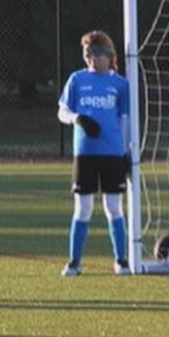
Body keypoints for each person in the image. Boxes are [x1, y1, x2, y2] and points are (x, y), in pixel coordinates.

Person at [56, 30, 131, 276]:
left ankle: (121, 260)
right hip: (85, 153)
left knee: (114, 206)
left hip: (112, 153)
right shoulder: (77, 80)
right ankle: (74, 262)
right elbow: (62, 111)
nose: (92, 60)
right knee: (83, 207)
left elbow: (125, 120)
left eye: (96, 55)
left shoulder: (120, 84)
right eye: (87, 55)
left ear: (108, 55)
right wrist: (77, 118)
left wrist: (125, 152)